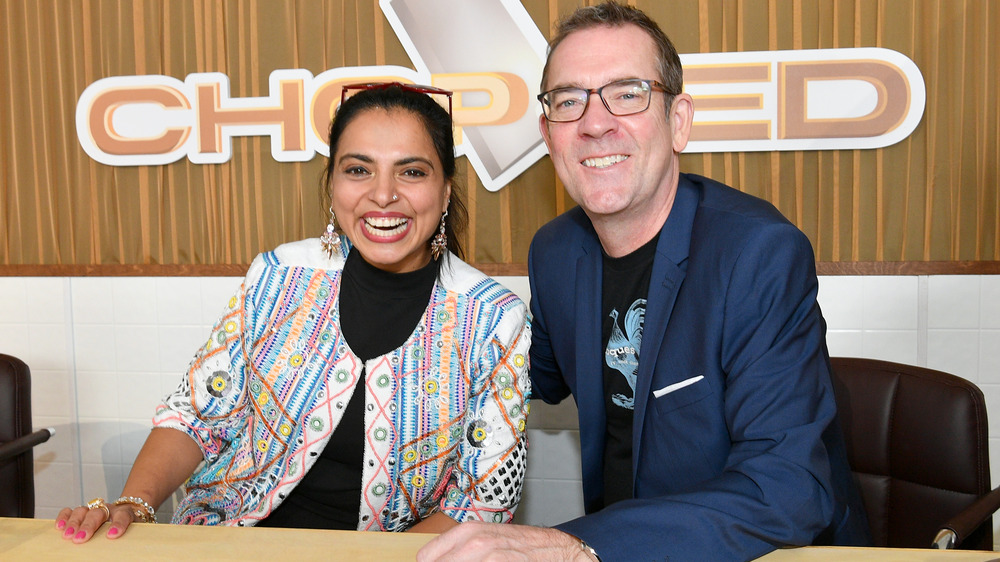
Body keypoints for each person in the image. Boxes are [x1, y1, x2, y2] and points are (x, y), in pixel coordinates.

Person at [418, 2, 870, 561]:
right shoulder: (556, 251)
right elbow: (516, 375)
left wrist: (576, 543)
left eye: (627, 93)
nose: (594, 121)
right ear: (548, 133)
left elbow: (786, 490)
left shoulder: (757, 253)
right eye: (568, 101)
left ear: (677, 121)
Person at [55, 83, 531, 543]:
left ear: (446, 192)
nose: (383, 195)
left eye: (411, 172)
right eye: (358, 170)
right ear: (332, 185)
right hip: (231, 542)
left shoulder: (493, 320)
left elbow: (481, 505)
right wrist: (134, 504)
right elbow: (197, 417)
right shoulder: (278, 275)